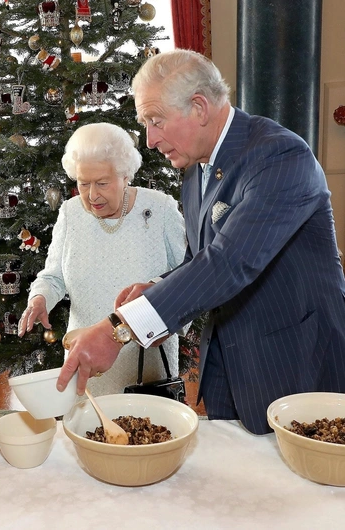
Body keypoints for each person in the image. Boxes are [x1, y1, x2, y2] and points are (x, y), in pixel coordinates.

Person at [57, 49, 345, 435]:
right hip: (231, 367)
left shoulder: (279, 156)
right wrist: (158, 287)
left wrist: (118, 329)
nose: (150, 139)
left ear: (199, 107)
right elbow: (200, 257)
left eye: (155, 121)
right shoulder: (196, 169)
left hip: (295, 361)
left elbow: (228, 263)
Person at [18, 123, 186, 396]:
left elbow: (187, 278)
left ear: (125, 175)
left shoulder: (160, 208)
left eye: (102, 183)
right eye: (83, 183)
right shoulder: (71, 213)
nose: (92, 195)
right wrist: (40, 299)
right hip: (85, 360)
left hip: (146, 364)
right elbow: (53, 276)